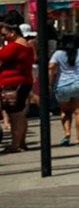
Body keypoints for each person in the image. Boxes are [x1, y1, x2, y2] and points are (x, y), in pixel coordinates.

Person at [49, 33, 79, 146]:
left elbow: (51, 67)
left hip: (62, 85)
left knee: (65, 111)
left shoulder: (58, 53)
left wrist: (48, 84)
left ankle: (67, 134)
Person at [0, 20, 34, 153]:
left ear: (13, 33)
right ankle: (21, 143)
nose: (3, 37)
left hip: (12, 83)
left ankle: (16, 145)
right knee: (20, 114)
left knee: (15, 116)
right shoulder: (26, 46)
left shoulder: (14, 47)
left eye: (4, 34)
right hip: (22, 81)